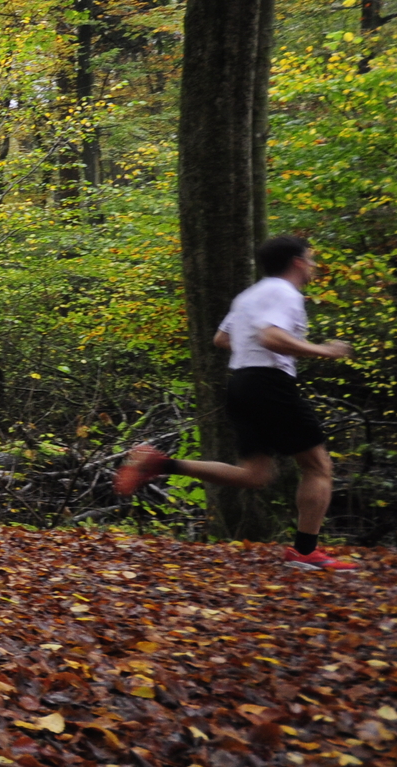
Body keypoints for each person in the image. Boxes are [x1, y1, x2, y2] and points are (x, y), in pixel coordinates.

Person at [115, 235, 357, 571]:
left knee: (254, 475)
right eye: (310, 259)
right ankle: (305, 552)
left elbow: (222, 338)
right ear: (298, 262)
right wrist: (323, 350)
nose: (313, 265)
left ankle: (157, 464)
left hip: (241, 383)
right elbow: (271, 337)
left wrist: (253, 351)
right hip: (269, 382)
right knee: (317, 467)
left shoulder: (249, 295)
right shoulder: (284, 292)